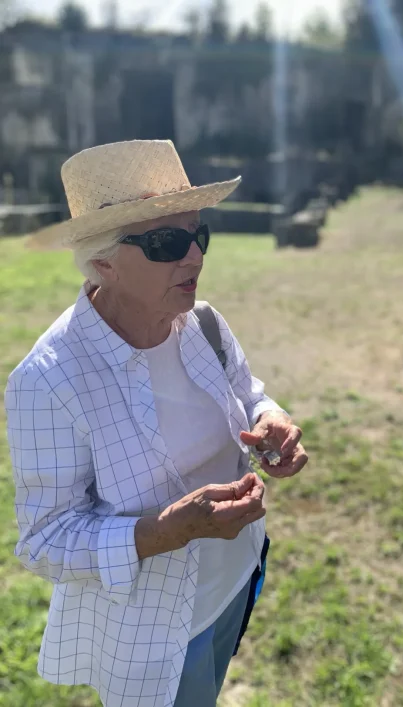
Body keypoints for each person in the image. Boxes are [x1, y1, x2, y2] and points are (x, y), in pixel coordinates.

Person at [4, 140, 308, 707]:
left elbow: (248, 392)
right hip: (155, 632)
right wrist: (166, 532)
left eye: (199, 235)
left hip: (233, 580)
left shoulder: (203, 323)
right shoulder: (49, 379)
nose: (194, 258)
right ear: (101, 262)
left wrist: (273, 421)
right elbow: (44, 540)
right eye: (167, 242)